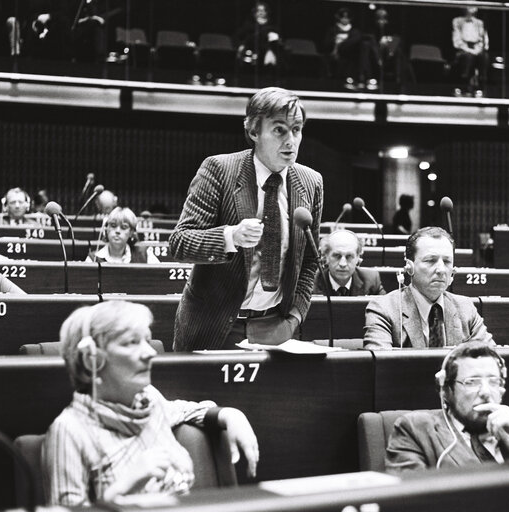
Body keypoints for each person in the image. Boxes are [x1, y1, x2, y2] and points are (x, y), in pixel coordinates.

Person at [42, 301, 259, 506]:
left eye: (147, 340)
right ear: (92, 359)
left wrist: (229, 414)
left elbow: (185, 410)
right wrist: (125, 486)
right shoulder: (70, 430)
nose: (150, 352)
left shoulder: (148, 399)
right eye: (132, 342)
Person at [169, 87, 323, 351]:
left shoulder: (311, 182)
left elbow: (309, 261)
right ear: (254, 132)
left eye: (296, 129)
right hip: (215, 325)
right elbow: (180, 243)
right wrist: (231, 236)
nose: (291, 140)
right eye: (279, 130)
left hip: (276, 326)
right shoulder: (220, 170)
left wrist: (294, 318)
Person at [385, 342, 509, 473]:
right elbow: (409, 502)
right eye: (472, 382)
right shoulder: (415, 429)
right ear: (446, 390)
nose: (485, 392)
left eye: (493, 381)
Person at [364, 226, 494, 349]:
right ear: (410, 267)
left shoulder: (466, 307)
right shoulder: (384, 309)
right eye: (431, 260)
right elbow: (381, 367)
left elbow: (491, 359)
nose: (441, 270)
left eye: (447, 261)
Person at [312, 229, 385, 296]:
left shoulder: (371, 280)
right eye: (337, 255)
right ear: (325, 256)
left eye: (349, 256)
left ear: (358, 258)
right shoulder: (311, 283)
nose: (342, 264)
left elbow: (387, 308)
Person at [323, 7, 378, 91]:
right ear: (338, 18)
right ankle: (366, 77)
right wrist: (337, 41)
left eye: (347, 17)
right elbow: (326, 45)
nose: (345, 19)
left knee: (364, 45)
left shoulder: (353, 30)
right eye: (343, 17)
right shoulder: (333, 30)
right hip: (340, 51)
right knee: (365, 39)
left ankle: (362, 78)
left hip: (353, 53)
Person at [87, 206, 159, 264]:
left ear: (131, 232)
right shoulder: (93, 259)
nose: (117, 231)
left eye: (124, 227)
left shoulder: (144, 255)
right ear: (107, 229)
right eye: (113, 225)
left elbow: (162, 278)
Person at [452, 7, 489, 96]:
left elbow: (483, 40)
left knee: (484, 57)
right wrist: (468, 49)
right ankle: (464, 86)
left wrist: (478, 49)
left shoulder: (479, 23)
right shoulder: (457, 21)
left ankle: (480, 88)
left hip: (477, 48)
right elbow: (457, 40)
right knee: (468, 57)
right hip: (463, 48)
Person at [235, 2, 281, 72]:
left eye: (263, 10)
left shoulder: (273, 26)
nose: (261, 12)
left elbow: (279, 41)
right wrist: (240, 46)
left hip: (267, 55)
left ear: (267, 12)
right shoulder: (248, 25)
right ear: (254, 12)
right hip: (249, 53)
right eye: (258, 10)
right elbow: (238, 37)